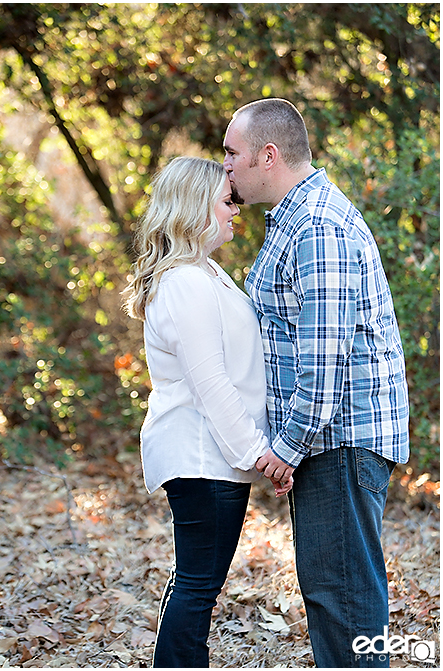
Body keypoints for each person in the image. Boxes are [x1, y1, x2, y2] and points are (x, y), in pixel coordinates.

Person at [223, 98, 410, 668]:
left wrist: (286, 448)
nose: (225, 166)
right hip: (327, 446)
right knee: (335, 603)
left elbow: (323, 362)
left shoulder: (318, 228)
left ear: (268, 155)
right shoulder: (295, 220)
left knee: (346, 608)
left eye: (232, 154)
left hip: (341, 444)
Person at [123, 156, 290, 667]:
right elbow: (212, 382)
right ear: (195, 210)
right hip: (202, 455)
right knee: (198, 588)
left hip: (213, 458)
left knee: (196, 583)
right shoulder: (184, 283)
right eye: (226, 200)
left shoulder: (203, 273)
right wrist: (260, 454)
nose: (235, 207)